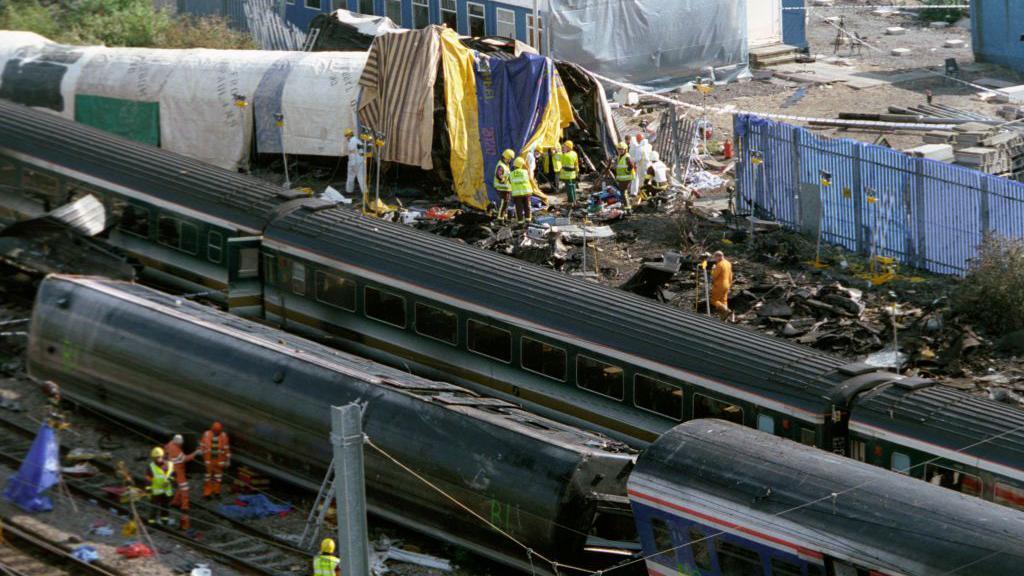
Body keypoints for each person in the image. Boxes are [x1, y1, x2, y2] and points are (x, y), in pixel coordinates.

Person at [164, 434, 198, 529]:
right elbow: (185, 459)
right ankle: (184, 507)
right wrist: (196, 453)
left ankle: (175, 501)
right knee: (184, 488)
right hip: (177, 469)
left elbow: (165, 449)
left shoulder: (171, 444)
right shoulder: (176, 450)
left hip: (174, 468)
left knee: (180, 487)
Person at [200, 422, 231, 498]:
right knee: (208, 477)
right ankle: (207, 493)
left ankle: (216, 492)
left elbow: (226, 449)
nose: (216, 433)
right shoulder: (206, 434)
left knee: (218, 477)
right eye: (215, 431)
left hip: (219, 461)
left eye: (217, 431)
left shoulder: (223, 436)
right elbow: (202, 446)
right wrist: (201, 452)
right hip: (209, 461)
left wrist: (228, 460)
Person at [146, 446, 174, 526]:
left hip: (166, 491)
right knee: (154, 508)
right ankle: (151, 523)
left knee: (165, 507)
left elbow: (173, 475)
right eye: (155, 458)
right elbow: (148, 479)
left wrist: (168, 481)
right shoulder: (151, 467)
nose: (156, 459)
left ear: (162, 456)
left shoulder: (169, 465)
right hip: (156, 491)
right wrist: (148, 490)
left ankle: (164, 521)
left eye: (158, 457)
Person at [709, 251, 734, 319]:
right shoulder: (728, 263)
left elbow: (714, 276)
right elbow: (730, 275)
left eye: (715, 257)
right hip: (727, 284)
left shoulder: (719, 265)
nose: (715, 259)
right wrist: (729, 284)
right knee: (723, 301)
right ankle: (724, 317)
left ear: (719, 256)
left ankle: (727, 311)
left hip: (719, 285)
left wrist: (713, 269)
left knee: (714, 300)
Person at [344, 129, 367, 197]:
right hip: (359, 161)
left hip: (355, 162)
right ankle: (364, 192)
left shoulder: (352, 142)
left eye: (346, 136)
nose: (346, 138)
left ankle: (350, 191)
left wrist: (352, 164)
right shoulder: (357, 140)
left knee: (355, 177)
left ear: (349, 135)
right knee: (359, 177)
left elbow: (352, 153)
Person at [509, 157, 532, 225]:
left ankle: (520, 222)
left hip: (517, 194)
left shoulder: (511, 174)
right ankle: (528, 220)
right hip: (526, 192)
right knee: (527, 207)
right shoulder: (525, 172)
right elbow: (529, 178)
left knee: (519, 208)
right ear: (521, 165)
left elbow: (510, 181)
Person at [494, 149, 514, 222]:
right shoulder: (501, 166)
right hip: (502, 188)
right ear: (506, 157)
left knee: (506, 203)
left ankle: (504, 217)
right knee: (504, 203)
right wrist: (503, 181)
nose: (510, 160)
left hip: (506, 188)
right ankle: (500, 219)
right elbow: (498, 175)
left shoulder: (505, 165)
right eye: (509, 159)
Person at [614, 141, 635, 210]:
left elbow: (631, 165)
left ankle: (627, 207)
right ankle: (626, 204)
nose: (620, 150)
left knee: (623, 192)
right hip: (622, 178)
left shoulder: (627, 157)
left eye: (621, 149)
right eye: (619, 149)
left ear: (625, 149)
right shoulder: (620, 156)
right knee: (622, 192)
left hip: (626, 178)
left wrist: (627, 171)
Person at [559, 141, 579, 208]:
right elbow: (576, 163)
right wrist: (577, 172)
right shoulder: (574, 153)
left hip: (567, 175)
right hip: (573, 174)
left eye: (564, 147)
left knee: (569, 188)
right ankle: (574, 200)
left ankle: (571, 202)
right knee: (572, 187)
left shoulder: (565, 155)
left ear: (568, 147)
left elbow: (560, 160)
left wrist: (557, 153)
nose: (563, 148)